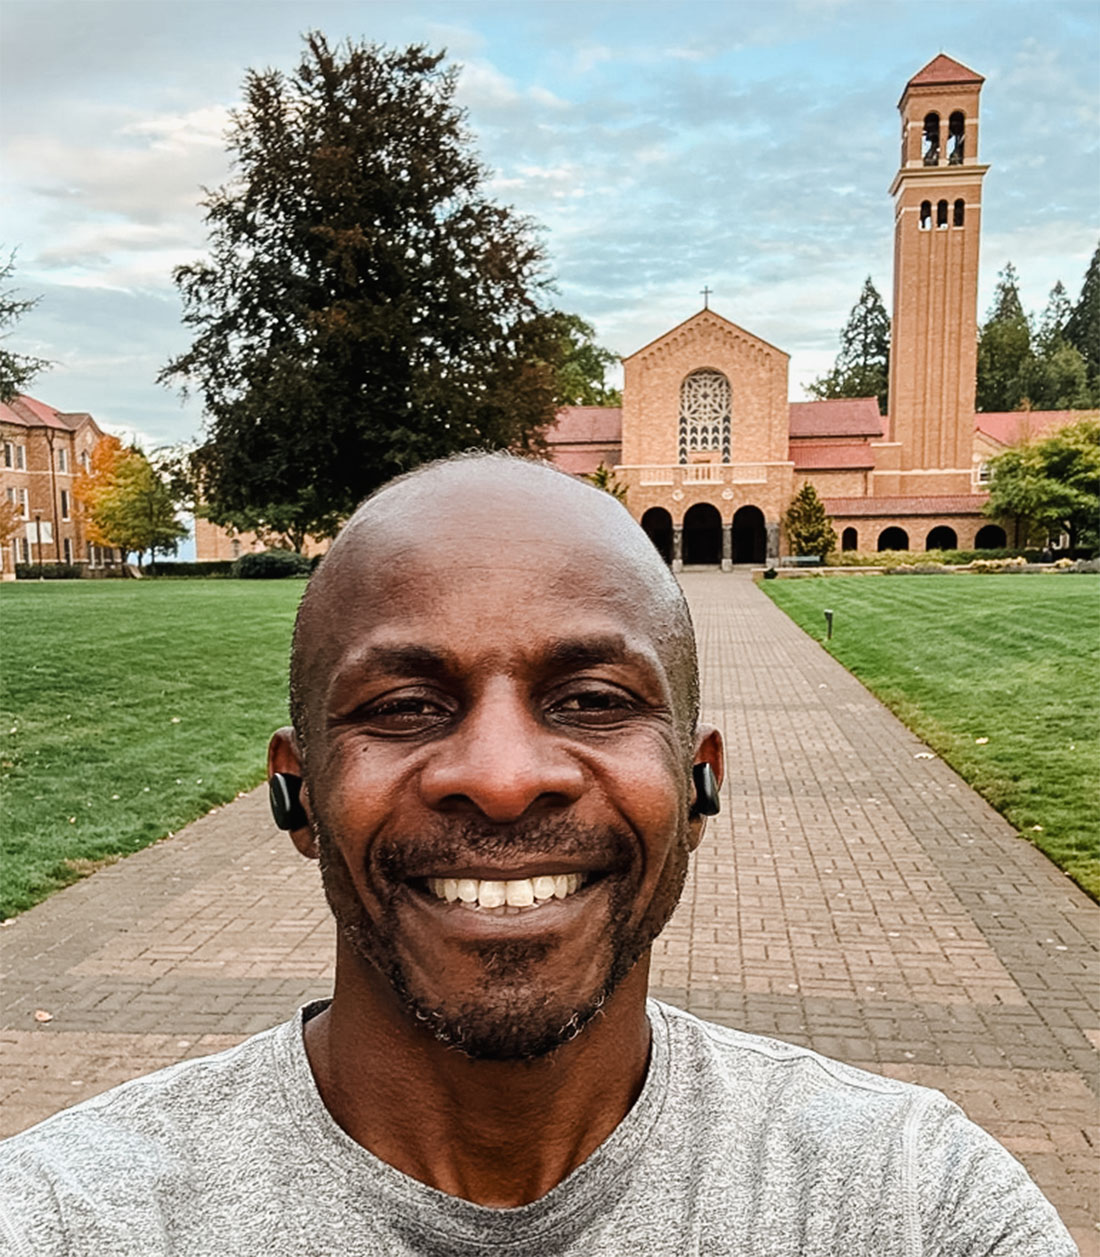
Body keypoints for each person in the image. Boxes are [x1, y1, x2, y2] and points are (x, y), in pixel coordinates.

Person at [0, 455, 1076, 1255]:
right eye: (405, 704)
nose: (505, 775)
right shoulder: (73, 1218)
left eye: (593, 700)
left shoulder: (906, 1204)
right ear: (297, 795)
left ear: (698, 784)